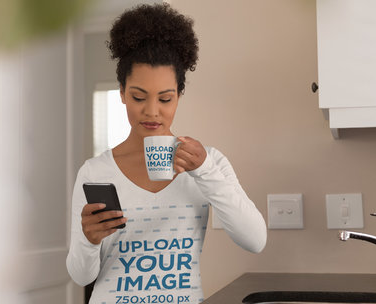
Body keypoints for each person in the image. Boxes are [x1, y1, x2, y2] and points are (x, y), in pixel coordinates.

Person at [66, 3, 267, 304]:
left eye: (165, 98)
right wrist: (89, 239)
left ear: (179, 95)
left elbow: (255, 240)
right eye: (138, 96)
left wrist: (205, 170)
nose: (151, 111)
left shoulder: (208, 164)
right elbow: (81, 276)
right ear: (121, 92)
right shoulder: (95, 172)